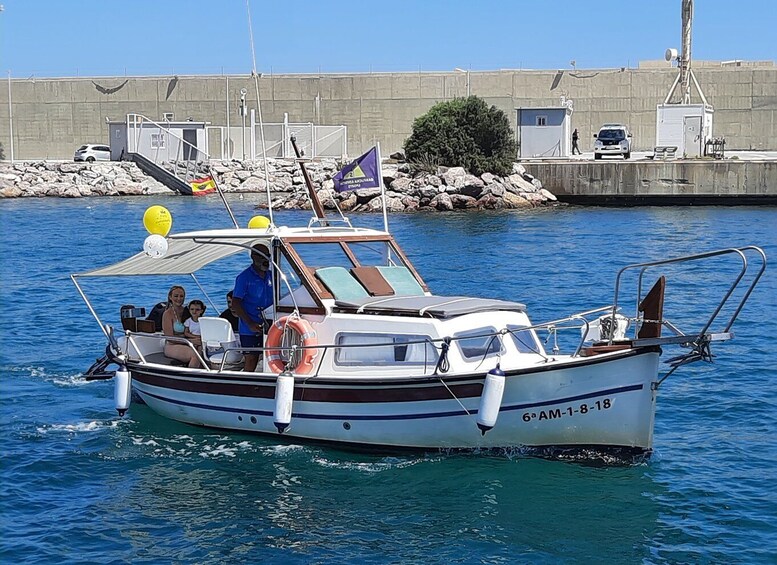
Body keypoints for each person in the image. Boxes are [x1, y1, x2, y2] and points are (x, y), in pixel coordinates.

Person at [232, 244, 274, 372]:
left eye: (267, 256)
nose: (265, 259)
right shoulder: (243, 278)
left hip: (271, 324)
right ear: (253, 257)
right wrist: (250, 323)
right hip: (249, 327)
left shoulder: (273, 276)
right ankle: (244, 388)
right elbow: (235, 302)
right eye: (262, 256)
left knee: (273, 357)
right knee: (251, 359)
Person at [161, 285, 201, 368]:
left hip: (190, 342)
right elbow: (170, 338)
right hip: (172, 345)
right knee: (195, 356)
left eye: (181, 296)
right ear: (170, 297)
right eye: (176, 296)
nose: (179, 299)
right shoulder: (167, 314)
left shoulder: (188, 311)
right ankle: (191, 378)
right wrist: (190, 341)